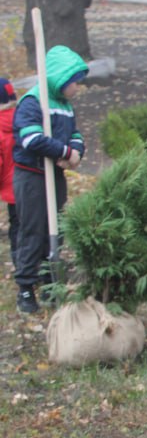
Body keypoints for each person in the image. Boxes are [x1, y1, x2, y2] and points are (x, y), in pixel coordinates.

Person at [12, 45, 87, 314]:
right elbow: (31, 139)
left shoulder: (64, 106)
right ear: (60, 78)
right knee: (33, 230)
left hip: (55, 176)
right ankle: (25, 287)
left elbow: (75, 134)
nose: (77, 88)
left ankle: (48, 281)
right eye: (74, 82)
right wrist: (64, 151)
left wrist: (76, 151)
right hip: (31, 177)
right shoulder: (33, 102)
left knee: (55, 229)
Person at [0, 78, 18, 273]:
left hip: (11, 188)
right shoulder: (24, 118)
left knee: (17, 227)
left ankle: (20, 264)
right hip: (33, 184)